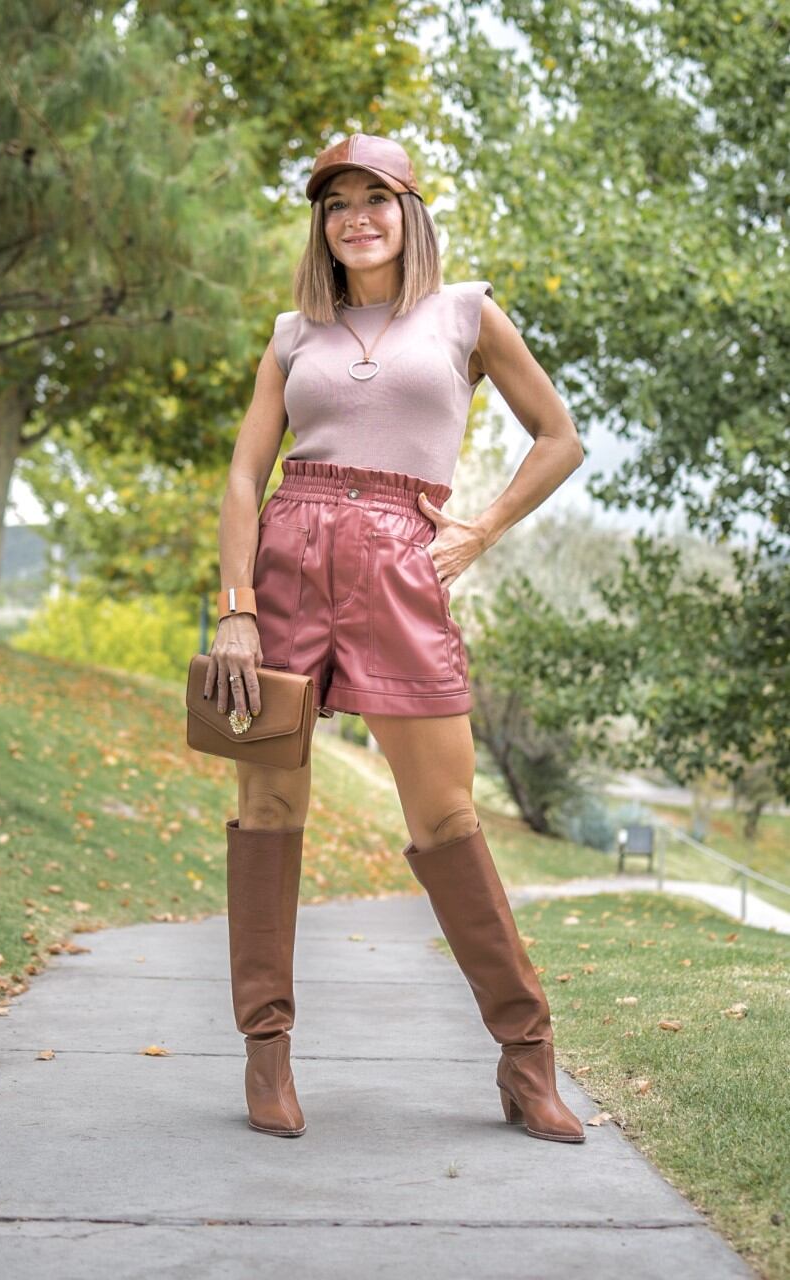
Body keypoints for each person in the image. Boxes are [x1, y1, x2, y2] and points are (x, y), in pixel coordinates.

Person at [207, 134, 586, 1143]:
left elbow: (559, 434)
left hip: (398, 567)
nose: (356, 216)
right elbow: (246, 473)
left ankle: (525, 1054)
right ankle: (267, 1053)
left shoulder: (464, 311)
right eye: (336, 203)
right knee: (266, 800)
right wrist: (235, 605)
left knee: (446, 814)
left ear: (409, 209)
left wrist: (480, 526)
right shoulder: (296, 332)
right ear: (320, 225)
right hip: (287, 559)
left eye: (376, 197)